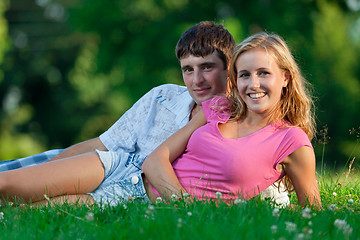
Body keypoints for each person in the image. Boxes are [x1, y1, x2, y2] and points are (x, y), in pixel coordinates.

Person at [0, 23, 288, 206]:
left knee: (22, 209)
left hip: (133, 192)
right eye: (188, 69)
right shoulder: (162, 97)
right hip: (113, 165)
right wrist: (44, 171)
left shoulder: (239, 119)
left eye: (207, 67)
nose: (196, 80)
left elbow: (253, 170)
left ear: (230, 68)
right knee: (10, 179)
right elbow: (103, 144)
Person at [142, 32, 321, 207]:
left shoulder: (291, 140)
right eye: (244, 75)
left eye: (263, 73)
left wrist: (188, 213)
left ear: (285, 78)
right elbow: (154, 161)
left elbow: (313, 210)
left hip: (155, 209)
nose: (253, 84)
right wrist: (185, 206)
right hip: (132, 185)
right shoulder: (220, 107)